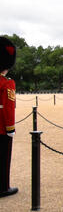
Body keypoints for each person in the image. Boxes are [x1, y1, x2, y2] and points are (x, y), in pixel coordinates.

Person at [0, 36, 18, 198]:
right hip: (1, 128)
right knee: (3, 159)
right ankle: (3, 187)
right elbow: (8, 109)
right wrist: (10, 128)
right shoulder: (7, 83)